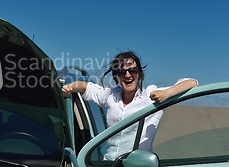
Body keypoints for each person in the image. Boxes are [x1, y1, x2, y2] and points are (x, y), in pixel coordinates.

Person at [61, 51, 198, 160]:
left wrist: (168, 93)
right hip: (106, 166)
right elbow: (87, 88)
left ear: (139, 73)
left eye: (133, 70)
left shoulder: (150, 97)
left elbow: (192, 82)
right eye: (121, 72)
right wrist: (70, 86)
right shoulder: (110, 96)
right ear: (116, 76)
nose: (127, 75)